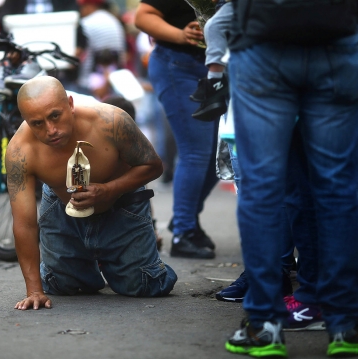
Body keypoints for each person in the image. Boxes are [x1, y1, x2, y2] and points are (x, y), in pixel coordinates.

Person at [224, 1, 358, 356]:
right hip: (337, 36)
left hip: (262, 41)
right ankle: (345, 323)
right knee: (338, 188)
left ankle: (264, 325)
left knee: (263, 188)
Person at [7, 76, 177, 310]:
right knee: (62, 284)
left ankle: (131, 252)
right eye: (37, 123)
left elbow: (153, 166)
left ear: (70, 104)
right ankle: (89, 264)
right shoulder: (19, 151)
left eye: (55, 115)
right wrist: (34, 291)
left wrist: (109, 189)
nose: (51, 130)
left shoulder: (111, 120)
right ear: (25, 120)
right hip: (62, 206)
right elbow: (24, 224)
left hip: (121, 203)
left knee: (146, 284)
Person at [135, 0, 219, 259]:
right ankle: (183, 232)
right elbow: (142, 16)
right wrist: (181, 35)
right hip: (178, 66)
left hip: (213, 68)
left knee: (219, 152)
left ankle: (187, 218)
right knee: (195, 151)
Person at [76, 0, 126, 94]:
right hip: (115, 79)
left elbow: (84, 55)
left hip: (93, 83)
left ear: (89, 6)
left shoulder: (87, 23)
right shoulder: (114, 20)